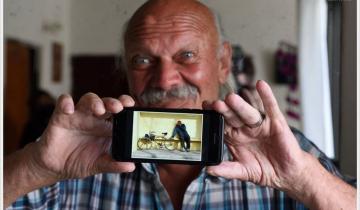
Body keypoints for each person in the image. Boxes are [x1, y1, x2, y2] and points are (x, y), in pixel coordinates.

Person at [5, 0, 356, 209]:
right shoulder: (78, 161)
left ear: (223, 62)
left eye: (186, 56)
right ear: (126, 71)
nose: (165, 79)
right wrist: (37, 167)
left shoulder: (284, 153)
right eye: (143, 60)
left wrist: (303, 178)